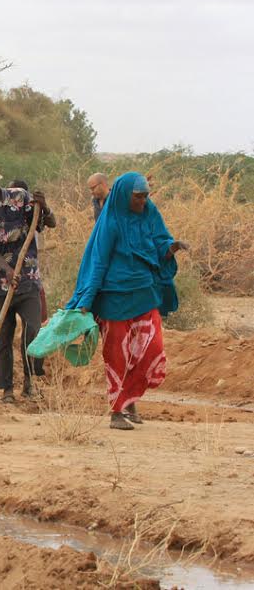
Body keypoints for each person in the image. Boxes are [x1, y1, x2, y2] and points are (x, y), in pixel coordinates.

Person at [67, 172, 187, 430]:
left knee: (150, 349)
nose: (143, 201)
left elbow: (159, 242)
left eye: (145, 196)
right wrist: (86, 301)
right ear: (124, 196)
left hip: (145, 292)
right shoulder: (110, 221)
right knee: (117, 355)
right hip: (114, 298)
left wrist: (172, 247)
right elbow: (98, 262)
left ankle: (129, 399)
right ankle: (116, 411)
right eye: (138, 197)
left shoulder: (149, 212)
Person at [0, 164, 56, 403]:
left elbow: (48, 222)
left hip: (27, 279)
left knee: (33, 330)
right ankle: (6, 389)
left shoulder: (19, 198)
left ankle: (30, 382)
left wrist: (44, 206)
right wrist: (6, 269)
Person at [9, 179, 52, 322]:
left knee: (36, 317)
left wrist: (44, 207)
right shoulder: (5, 209)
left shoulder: (32, 208)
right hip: (8, 269)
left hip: (29, 268)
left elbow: (51, 222)